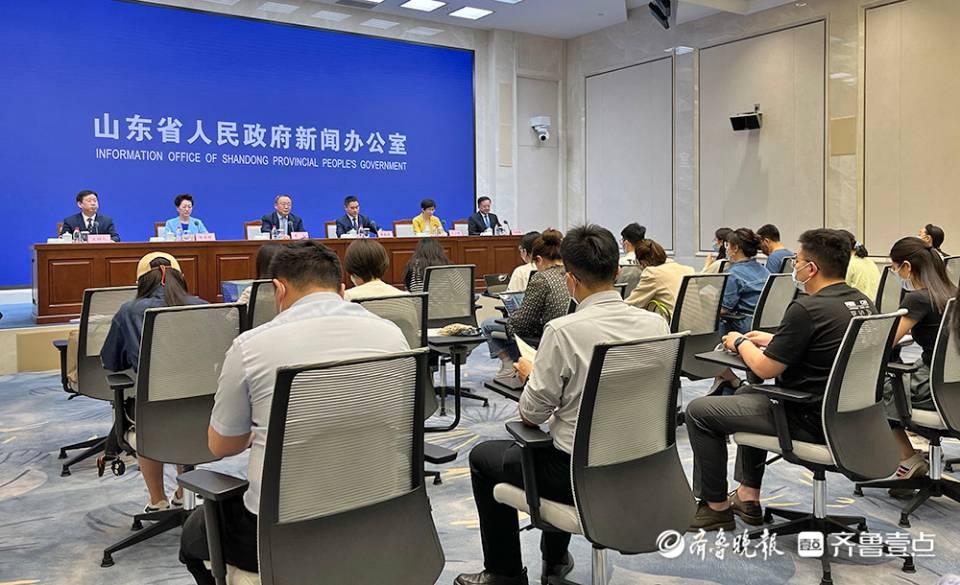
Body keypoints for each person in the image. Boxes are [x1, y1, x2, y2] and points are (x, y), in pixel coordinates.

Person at [178, 240, 409, 585]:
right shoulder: (393, 335)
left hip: (284, 534)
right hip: (380, 514)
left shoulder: (251, 347)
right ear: (341, 289)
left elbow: (222, 445)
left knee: (196, 532)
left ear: (279, 289)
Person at [454, 225, 670, 585]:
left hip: (577, 475)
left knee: (485, 457)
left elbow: (530, 415)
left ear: (570, 279)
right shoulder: (656, 324)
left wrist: (531, 374)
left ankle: (504, 574)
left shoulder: (563, 331)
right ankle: (554, 562)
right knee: (559, 439)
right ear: (618, 272)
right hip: (642, 466)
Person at [685, 228, 875, 531]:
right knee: (747, 392)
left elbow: (764, 369)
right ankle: (747, 496)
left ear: (811, 268)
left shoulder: (807, 308)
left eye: (797, 261)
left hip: (806, 418)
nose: (794, 266)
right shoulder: (861, 302)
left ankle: (715, 508)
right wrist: (775, 339)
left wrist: (739, 342)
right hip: (848, 417)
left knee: (699, 411)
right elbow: (828, 344)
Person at [101, 252, 206, 513]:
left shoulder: (128, 311)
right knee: (184, 415)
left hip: (152, 417)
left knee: (144, 415)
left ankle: (157, 500)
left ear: (140, 282)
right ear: (181, 278)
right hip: (203, 413)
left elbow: (111, 361)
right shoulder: (203, 306)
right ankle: (184, 493)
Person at [882, 237, 957, 488]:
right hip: (952, 384)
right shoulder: (952, 293)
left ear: (906, 267)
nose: (894, 274)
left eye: (894, 268)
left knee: (868, 392)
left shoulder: (918, 299)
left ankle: (908, 458)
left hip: (932, 384)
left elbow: (885, 342)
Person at [481, 230, 569, 385]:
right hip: (566, 335)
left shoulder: (542, 278)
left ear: (539, 259)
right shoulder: (571, 274)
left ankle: (513, 365)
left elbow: (521, 323)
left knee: (490, 324)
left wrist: (511, 319)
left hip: (547, 334)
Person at [624, 238, 694, 322]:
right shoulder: (688, 270)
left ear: (642, 262)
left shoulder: (652, 273)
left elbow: (633, 303)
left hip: (672, 326)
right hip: (696, 324)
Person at [719, 228, 768, 335]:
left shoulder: (733, 274)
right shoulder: (764, 270)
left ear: (735, 248)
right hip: (765, 325)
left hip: (744, 326)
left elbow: (724, 309)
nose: (726, 249)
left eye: (728, 245)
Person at [839, 229, 880, 299]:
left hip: (859, 302)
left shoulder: (848, 263)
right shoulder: (869, 261)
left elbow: (840, 290)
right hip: (873, 303)